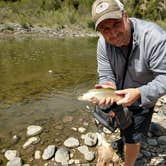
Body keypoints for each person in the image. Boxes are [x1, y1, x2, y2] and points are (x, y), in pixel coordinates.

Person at [91, 0, 166, 166]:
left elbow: (164, 77)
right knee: (105, 115)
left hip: (142, 98)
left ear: (125, 16)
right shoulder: (102, 43)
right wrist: (107, 85)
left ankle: (129, 163)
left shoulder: (155, 38)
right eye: (105, 29)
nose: (113, 33)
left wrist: (140, 93)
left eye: (116, 24)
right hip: (116, 94)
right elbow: (105, 73)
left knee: (132, 137)